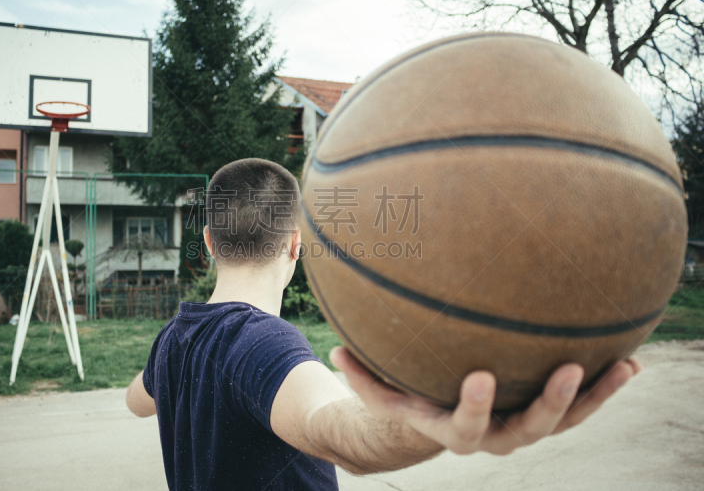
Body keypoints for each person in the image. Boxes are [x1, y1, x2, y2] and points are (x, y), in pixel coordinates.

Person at [126, 158, 641, 490]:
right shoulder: (262, 341)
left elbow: (137, 399)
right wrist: (437, 418)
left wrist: (163, 374)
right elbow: (340, 432)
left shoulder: (175, 338)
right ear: (293, 246)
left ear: (212, 243)